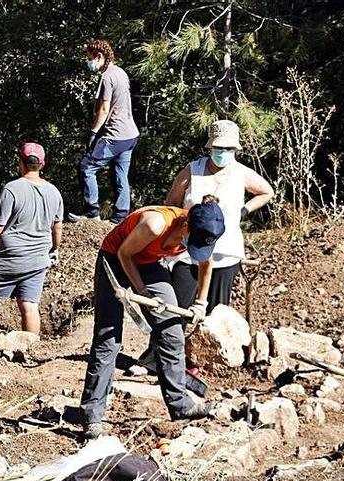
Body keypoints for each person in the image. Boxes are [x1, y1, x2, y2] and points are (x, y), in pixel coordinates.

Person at [80, 196, 226, 439]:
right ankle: (92, 416)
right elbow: (125, 253)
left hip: (148, 263)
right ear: (186, 225)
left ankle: (181, 405)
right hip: (115, 259)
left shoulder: (203, 232)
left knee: (172, 331)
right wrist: (143, 291)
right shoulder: (155, 224)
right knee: (108, 338)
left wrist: (201, 303)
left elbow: (205, 265)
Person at [165, 119, 274, 311]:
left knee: (216, 313)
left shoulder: (241, 173)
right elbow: (172, 202)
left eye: (228, 148)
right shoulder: (193, 170)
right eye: (218, 147)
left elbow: (267, 192)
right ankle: (172, 341)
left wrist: (244, 210)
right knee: (178, 308)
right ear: (210, 147)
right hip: (189, 250)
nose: (222, 152)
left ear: (235, 150)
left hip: (225, 252)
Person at [0, 143, 63, 334]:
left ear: (21, 162)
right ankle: (29, 348)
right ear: (42, 164)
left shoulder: (12, 189)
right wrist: (54, 250)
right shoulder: (54, 192)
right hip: (38, 260)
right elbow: (57, 226)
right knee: (29, 305)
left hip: (9, 258)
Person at [68, 39, 139, 224]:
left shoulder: (107, 77)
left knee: (86, 167)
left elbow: (104, 109)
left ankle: (92, 212)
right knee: (120, 174)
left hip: (114, 136)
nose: (88, 62)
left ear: (100, 56)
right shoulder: (121, 73)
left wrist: (93, 133)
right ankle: (120, 216)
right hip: (130, 135)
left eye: (90, 58)